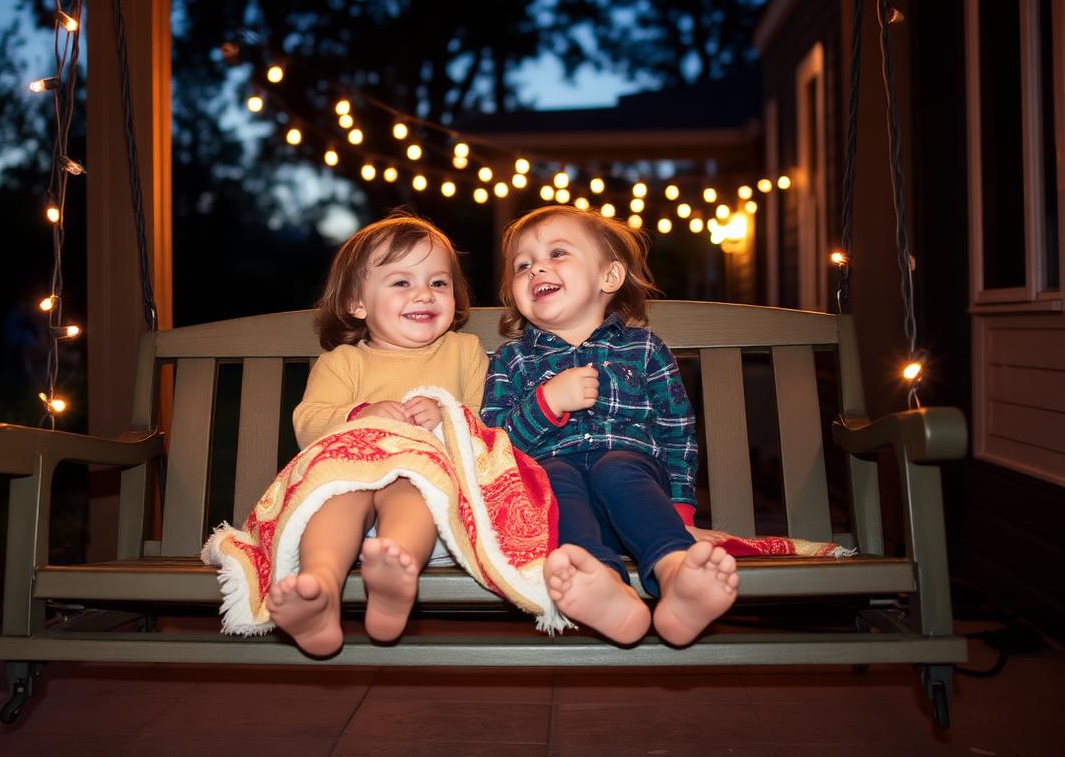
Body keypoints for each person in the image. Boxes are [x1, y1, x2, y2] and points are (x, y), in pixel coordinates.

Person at [481, 205, 739, 646]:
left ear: (609, 278)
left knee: (618, 466)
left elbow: (677, 437)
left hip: (636, 506)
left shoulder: (643, 350)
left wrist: (679, 516)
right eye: (522, 265)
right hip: (561, 510)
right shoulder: (512, 360)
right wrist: (546, 403)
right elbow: (491, 447)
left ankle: (676, 574)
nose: (537, 267)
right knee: (554, 474)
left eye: (558, 253)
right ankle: (602, 582)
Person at [270, 213, 489, 656]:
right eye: (401, 283)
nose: (424, 294)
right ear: (357, 303)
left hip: (429, 515)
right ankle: (320, 589)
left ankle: (395, 575)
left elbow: (490, 423)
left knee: (410, 486)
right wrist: (361, 413)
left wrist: (448, 415)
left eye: (439, 283)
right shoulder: (344, 363)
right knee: (339, 494)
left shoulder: (463, 352)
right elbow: (307, 423)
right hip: (351, 501)